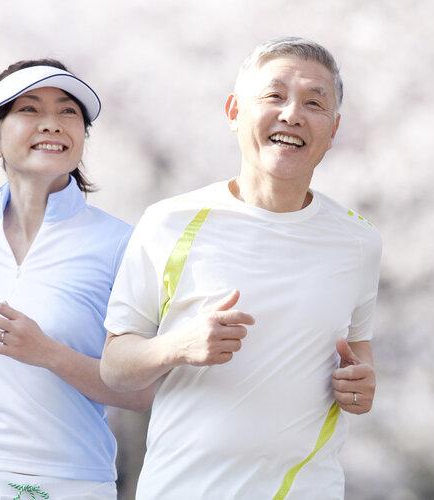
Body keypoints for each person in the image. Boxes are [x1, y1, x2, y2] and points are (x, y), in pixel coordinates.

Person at [100, 36, 382, 499]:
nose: (292, 114)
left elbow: (356, 345)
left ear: (333, 130)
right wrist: (178, 346)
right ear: (234, 111)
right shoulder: (170, 222)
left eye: (314, 103)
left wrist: (362, 381)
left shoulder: (359, 241)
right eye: (274, 96)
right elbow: (115, 367)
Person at [0, 59, 152, 500]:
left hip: (72, 481)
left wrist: (47, 353)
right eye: (30, 109)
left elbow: (142, 392)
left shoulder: (123, 244)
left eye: (68, 111)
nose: (52, 123)